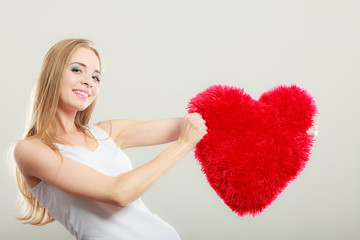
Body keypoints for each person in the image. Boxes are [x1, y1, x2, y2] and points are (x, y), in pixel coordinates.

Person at [13, 38, 208, 240]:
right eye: (77, 70)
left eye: (96, 77)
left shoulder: (106, 132)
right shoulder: (30, 150)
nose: (89, 81)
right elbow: (119, 193)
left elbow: (194, 125)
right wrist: (184, 144)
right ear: (52, 74)